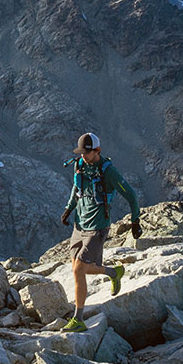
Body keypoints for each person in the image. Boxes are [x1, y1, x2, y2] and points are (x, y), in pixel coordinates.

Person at [59, 131, 140, 333]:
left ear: (98, 151)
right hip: (80, 225)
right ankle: (114, 272)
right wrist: (68, 209)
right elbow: (76, 190)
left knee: (79, 269)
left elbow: (131, 195)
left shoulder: (108, 172)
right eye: (82, 152)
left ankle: (78, 319)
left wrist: (135, 220)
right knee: (82, 268)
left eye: (87, 153)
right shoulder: (79, 165)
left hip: (97, 227)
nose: (84, 156)